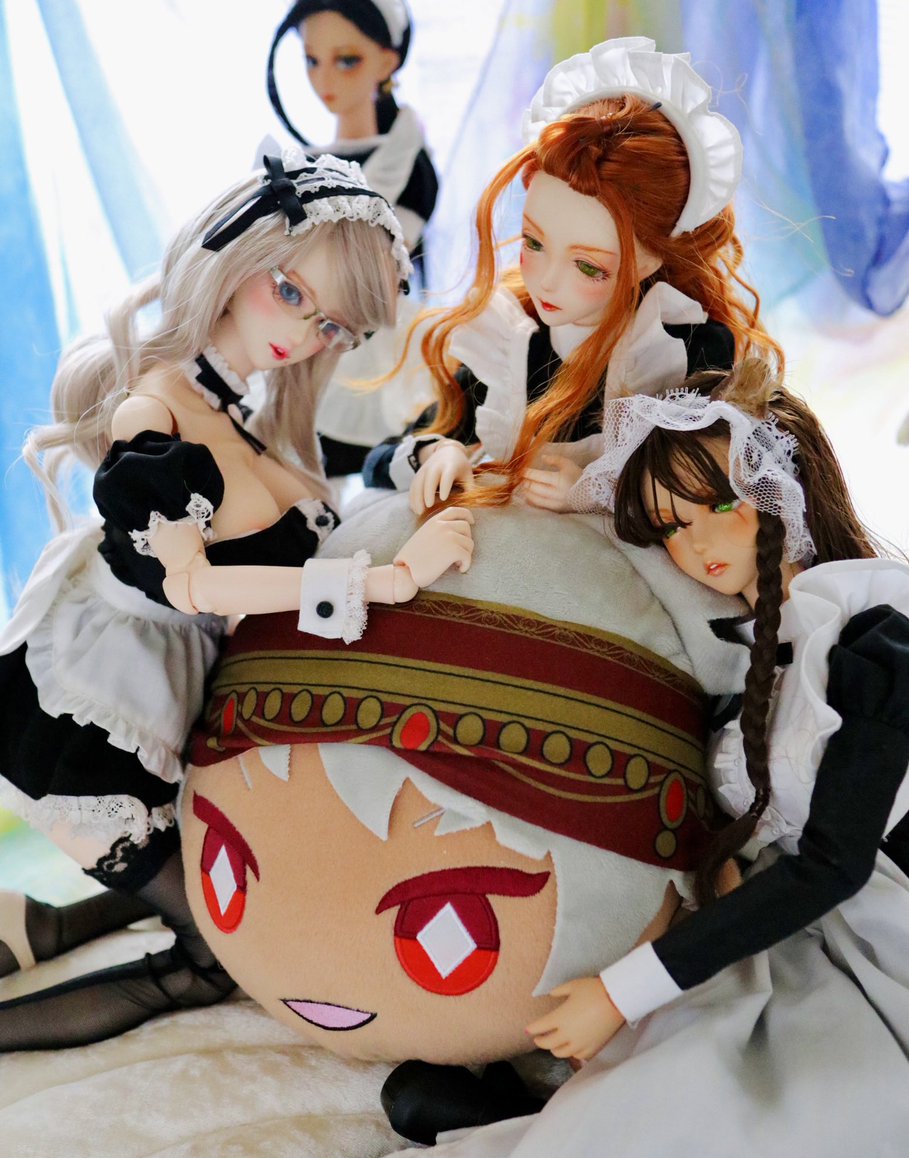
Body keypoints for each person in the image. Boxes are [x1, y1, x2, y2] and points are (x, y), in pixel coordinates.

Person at [0, 149, 473, 1051]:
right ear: (237, 259)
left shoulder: (244, 414)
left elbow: (342, 486)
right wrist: (378, 582)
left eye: (330, 323)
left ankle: (43, 929)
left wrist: (431, 455)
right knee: (220, 950)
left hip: (175, 703)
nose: (304, 332)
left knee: (220, 895)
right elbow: (193, 582)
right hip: (91, 717)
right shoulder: (155, 415)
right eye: (289, 293)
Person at [525, 358, 909, 1061]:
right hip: (769, 934)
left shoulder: (876, 643)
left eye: (721, 505)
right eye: (669, 525)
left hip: (877, 936)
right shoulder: (731, 663)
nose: (696, 544)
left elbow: (835, 864)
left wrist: (621, 992)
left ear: (783, 489)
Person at [362, 36, 780, 514]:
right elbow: (379, 460)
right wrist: (437, 452)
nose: (547, 281)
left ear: (650, 260)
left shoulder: (683, 350)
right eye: (533, 243)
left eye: (587, 266)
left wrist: (597, 491)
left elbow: (717, 500)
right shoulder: (511, 338)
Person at [265, 0, 440, 478]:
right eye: (312, 60)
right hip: (308, 332)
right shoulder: (300, 166)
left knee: (389, 463)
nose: (325, 79)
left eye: (347, 60)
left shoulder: (407, 163)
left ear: (387, 61)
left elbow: (382, 262)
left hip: (377, 334)